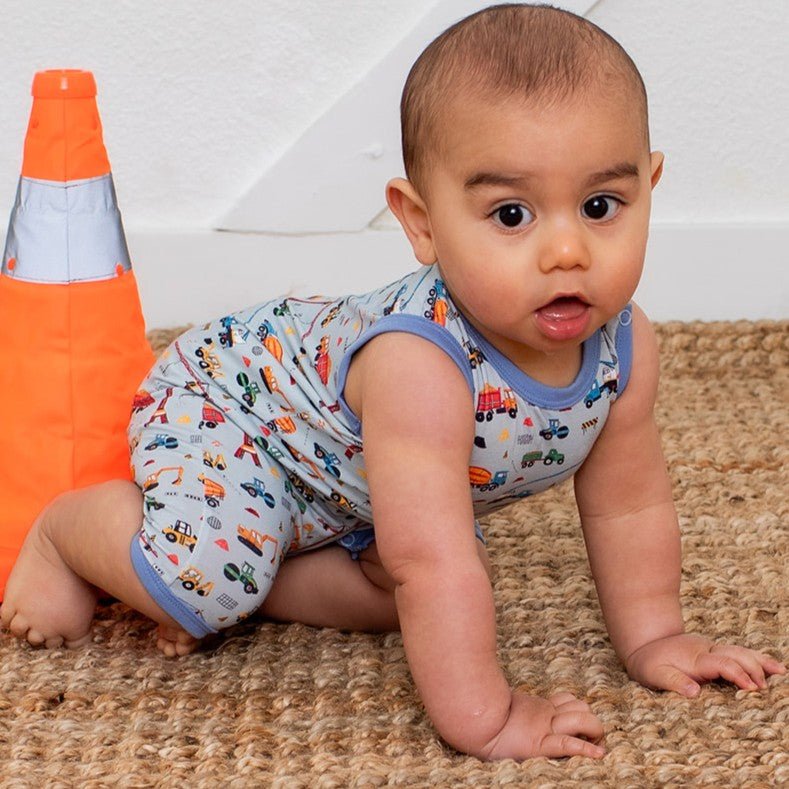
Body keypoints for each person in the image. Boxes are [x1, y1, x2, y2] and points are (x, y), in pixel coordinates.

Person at [1, 2, 784, 761]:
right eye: (511, 215)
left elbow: (630, 504)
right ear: (420, 222)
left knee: (401, 596)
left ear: (649, 187)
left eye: (600, 204)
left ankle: (267, 558)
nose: (566, 251)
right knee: (212, 584)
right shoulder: (422, 363)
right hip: (236, 413)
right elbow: (431, 563)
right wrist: (487, 716)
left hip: (347, 487)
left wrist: (655, 637)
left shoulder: (624, 345)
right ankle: (70, 531)